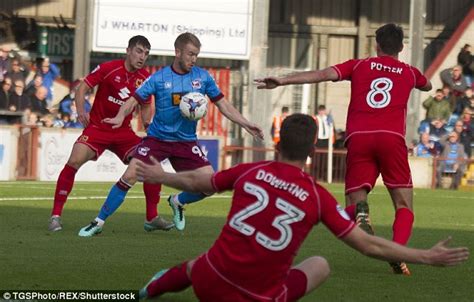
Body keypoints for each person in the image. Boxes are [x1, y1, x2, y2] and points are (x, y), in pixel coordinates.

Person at [134, 114, 469, 301]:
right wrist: (426, 256)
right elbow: (367, 245)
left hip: (212, 281)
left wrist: (158, 173)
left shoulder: (252, 170)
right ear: (312, 151)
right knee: (320, 263)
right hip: (258, 296)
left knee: (197, 266)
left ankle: (146, 291)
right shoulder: (316, 194)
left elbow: (195, 183)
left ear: (278, 145)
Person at [255, 23, 433, 275]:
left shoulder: (359, 65)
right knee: (404, 205)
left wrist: (282, 80)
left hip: (358, 137)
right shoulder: (411, 72)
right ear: (402, 47)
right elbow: (428, 86)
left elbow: (322, 74)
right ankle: (397, 251)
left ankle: (360, 214)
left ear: (376, 45)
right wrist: (418, 83)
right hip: (391, 138)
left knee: (354, 200)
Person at [77, 32, 263, 237]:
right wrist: (121, 116)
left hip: (186, 142)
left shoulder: (203, 77)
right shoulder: (159, 78)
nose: (194, 59)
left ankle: (178, 201)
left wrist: (246, 124)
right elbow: (133, 99)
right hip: (158, 140)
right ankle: (98, 222)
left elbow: (223, 105)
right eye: (190, 54)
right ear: (178, 52)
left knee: (210, 184)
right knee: (129, 175)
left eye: (196, 55)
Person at [47, 35, 172, 233]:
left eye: (146, 53)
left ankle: (152, 217)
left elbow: (146, 105)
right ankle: (55, 216)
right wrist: (81, 111)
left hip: (123, 132)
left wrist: (148, 125)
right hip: (98, 128)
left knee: (151, 162)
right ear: (128, 51)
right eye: (139, 51)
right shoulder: (109, 68)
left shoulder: (144, 78)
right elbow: (82, 88)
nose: (142, 57)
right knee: (74, 161)